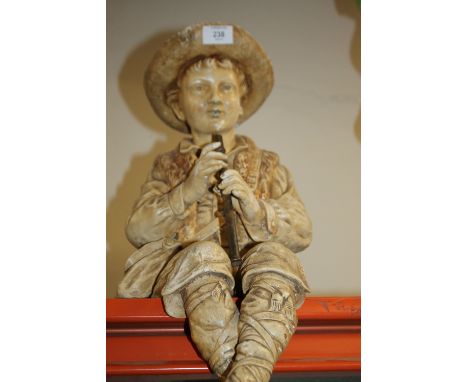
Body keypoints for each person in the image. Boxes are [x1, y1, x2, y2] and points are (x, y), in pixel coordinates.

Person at [118, 23, 312, 382]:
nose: (215, 98)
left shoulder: (267, 164)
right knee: (203, 256)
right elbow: (138, 228)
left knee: (277, 257)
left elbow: (300, 231)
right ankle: (236, 371)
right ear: (178, 105)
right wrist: (186, 192)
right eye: (200, 88)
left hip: (256, 274)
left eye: (225, 87)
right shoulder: (167, 167)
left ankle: (250, 371)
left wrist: (255, 207)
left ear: (241, 100)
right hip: (191, 273)